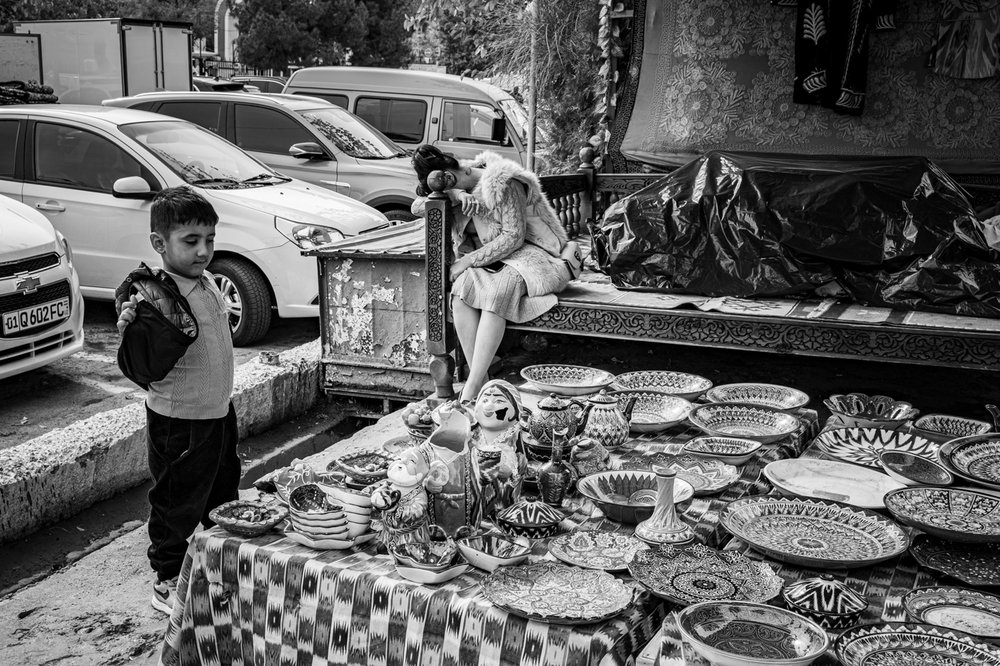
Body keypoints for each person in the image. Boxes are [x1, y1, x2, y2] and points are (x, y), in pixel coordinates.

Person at [115, 186, 238, 616]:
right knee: (175, 502)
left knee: (222, 493)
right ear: (158, 243)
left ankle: (218, 563)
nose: (203, 250)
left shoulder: (204, 280)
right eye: (190, 241)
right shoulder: (155, 296)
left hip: (219, 412)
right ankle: (167, 579)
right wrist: (128, 320)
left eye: (209, 239)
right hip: (179, 421)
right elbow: (137, 343)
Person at [411, 144, 581, 404]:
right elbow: (417, 207)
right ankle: (486, 384)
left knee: (496, 296)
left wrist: (467, 260)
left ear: (464, 168)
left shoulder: (504, 181)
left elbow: (514, 237)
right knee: (461, 292)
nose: (448, 187)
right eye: (443, 185)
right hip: (489, 258)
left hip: (531, 253)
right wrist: (455, 194)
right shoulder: (459, 190)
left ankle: (471, 390)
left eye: (451, 180)